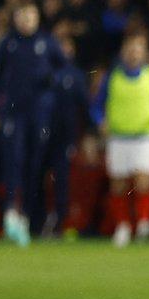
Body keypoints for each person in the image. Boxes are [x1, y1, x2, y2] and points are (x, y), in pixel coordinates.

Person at [91, 33, 149, 247]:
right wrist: (100, 121)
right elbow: (97, 106)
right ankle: (123, 226)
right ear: (124, 52)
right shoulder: (112, 77)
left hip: (144, 136)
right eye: (131, 49)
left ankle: (143, 225)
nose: (134, 53)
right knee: (118, 184)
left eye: (138, 49)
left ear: (144, 53)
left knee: (144, 181)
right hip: (119, 137)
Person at [0, 4, 62, 247]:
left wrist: (51, 83)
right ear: (16, 18)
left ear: (37, 18)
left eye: (31, 16)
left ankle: (26, 217)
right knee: (14, 160)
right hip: (14, 114)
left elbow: (63, 70)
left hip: (39, 115)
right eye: (22, 16)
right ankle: (11, 212)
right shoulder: (8, 43)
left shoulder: (47, 42)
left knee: (35, 164)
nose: (27, 21)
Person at [41, 35, 88, 236]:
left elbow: (84, 107)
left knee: (61, 179)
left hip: (64, 136)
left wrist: (87, 133)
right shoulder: (43, 72)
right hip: (41, 133)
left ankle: (60, 221)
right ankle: (38, 219)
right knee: (37, 176)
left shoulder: (75, 75)